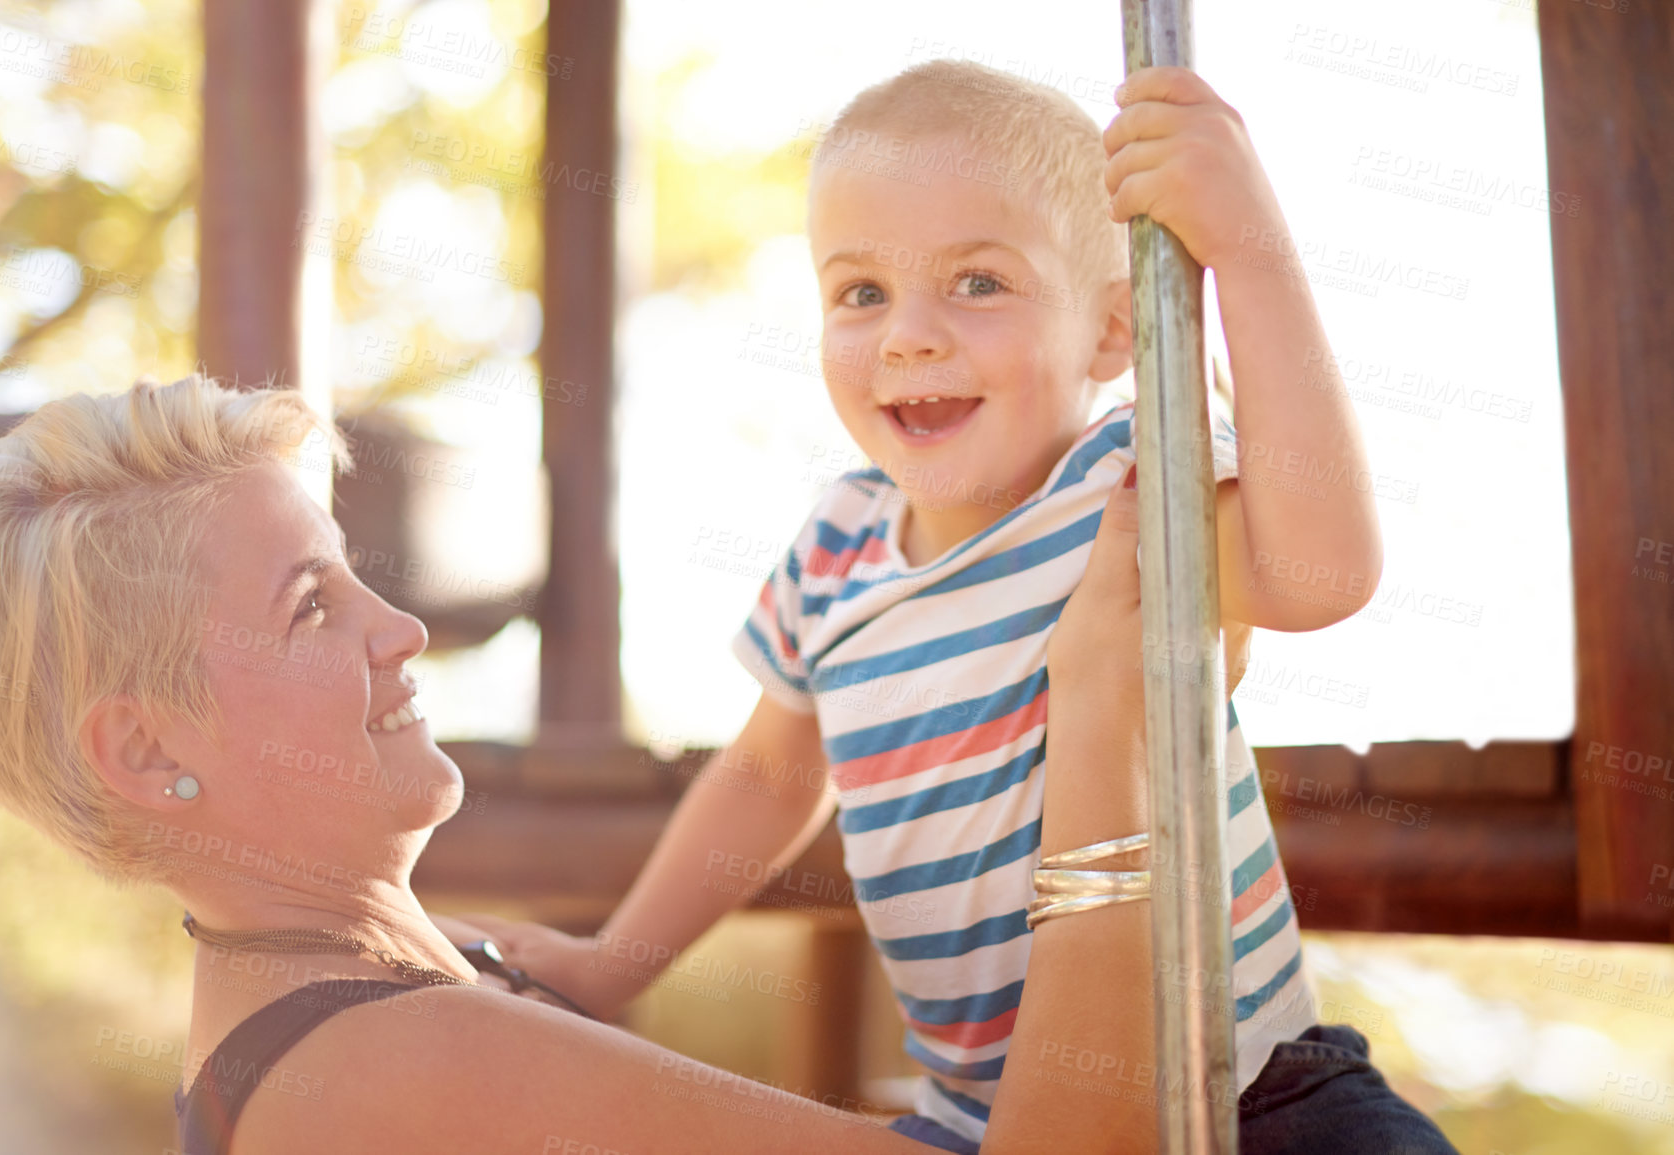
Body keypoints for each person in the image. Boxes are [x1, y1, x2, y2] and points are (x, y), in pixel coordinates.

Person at [471, 58, 1407, 1152]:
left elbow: (1322, 573)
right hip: (984, 1123)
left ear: (1112, 334)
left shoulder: (1125, 485)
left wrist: (1247, 251)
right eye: (861, 291)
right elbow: (768, 779)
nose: (908, 334)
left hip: (1246, 1084)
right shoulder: (835, 551)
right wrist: (609, 963)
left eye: (978, 282)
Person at [0, 373, 1201, 1153]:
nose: (402, 630)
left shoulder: (390, 999)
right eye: (310, 608)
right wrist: (1101, 723)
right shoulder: (389, 1059)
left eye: (356, 577)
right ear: (147, 746)